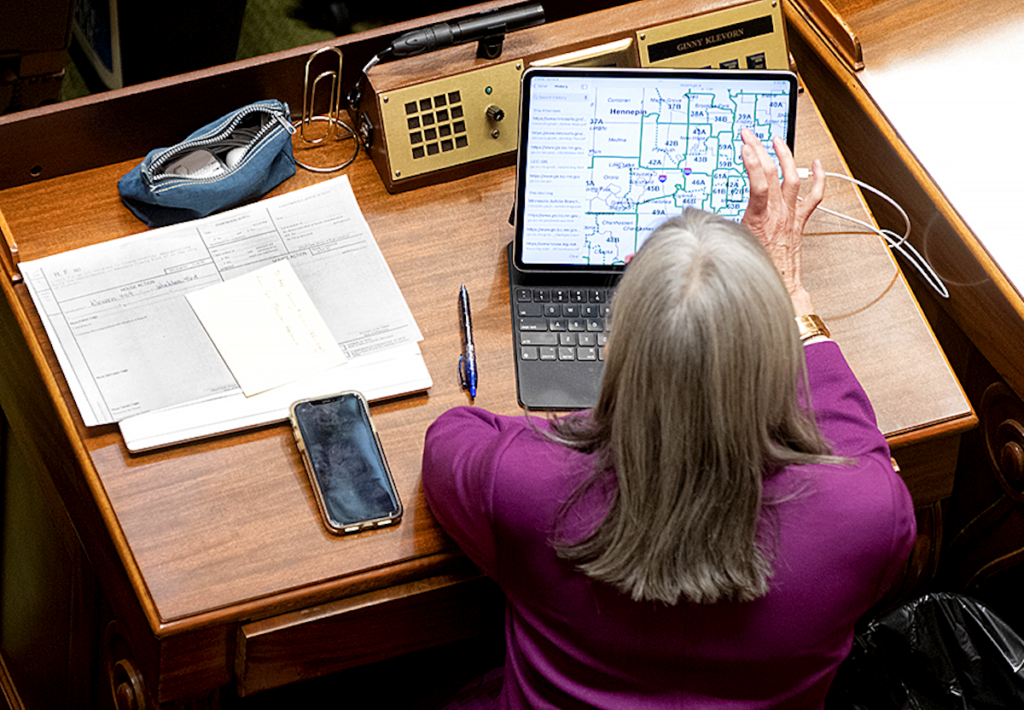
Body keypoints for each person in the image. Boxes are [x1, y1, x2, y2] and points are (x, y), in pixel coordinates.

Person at [421, 129, 916, 709]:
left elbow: (449, 439)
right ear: (771, 362)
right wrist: (790, 286)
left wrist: (610, 413)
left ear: (618, 349)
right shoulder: (869, 514)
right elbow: (850, 433)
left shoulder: (522, 482)